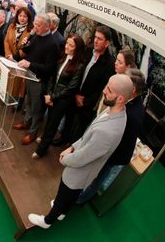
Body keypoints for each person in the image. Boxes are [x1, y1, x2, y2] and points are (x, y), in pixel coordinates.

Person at [28, 74, 134, 229]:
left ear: (120, 99)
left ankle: (48, 220)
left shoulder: (108, 131)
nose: (104, 90)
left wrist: (65, 159)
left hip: (79, 171)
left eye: (109, 90)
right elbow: (88, 135)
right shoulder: (116, 111)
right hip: (83, 170)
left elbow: (83, 157)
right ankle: (62, 212)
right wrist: (72, 147)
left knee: (64, 193)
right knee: (70, 196)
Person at [76, 68, 145, 204]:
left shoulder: (131, 114)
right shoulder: (130, 102)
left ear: (133, 89)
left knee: (97, 177)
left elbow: (118, 138)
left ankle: (81, 199)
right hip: (111, 149)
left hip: (115, 154)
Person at [33, 34, 85, 158]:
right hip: (52, 95)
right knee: (49, 120)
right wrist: (49, 94)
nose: (67, 46)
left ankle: (41, 150)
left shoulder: (79, 66)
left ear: (77, 49)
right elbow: (53, 77)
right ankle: (45, 138)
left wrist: (53, 97)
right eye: (67, 43)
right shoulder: (62, 57)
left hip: (62, 101)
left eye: (71, 45)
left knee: (52, 125)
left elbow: (71, 88)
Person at [13, 13, 60, 145]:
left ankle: (32, 133)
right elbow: (32, 52)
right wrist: (25, 45)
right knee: (28, 102)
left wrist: (30, 64)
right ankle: (26, 123)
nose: (35, 27)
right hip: (29, 75)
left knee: (37, 108)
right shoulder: (36, 36)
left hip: (39, 81)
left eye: (38, 25)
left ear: (47, 27)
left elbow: (49, 68)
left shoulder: (52, 44)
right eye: (35, 24)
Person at [68, 26, 115, 143]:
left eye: (99, 39)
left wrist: (85, 101)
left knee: (78, 130)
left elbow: (101, 89)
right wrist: (74, 92)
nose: (95, 41)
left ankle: (72, 151)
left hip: (86, 103)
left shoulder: (109, 64)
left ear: (107, 43)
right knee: (68, 121)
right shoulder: (88, 51)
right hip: (73, 93)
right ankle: (63, 139)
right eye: (95, 37)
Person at [4, 7, 34, 109]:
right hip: (10, 59)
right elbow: (7, 41)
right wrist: (8, 55)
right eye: (20, 15)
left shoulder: (31, 30)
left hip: (21, 61)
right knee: (11, 79)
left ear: (28, 18)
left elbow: (28, 48)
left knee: (21, 83)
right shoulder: (12, 26)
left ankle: (19, 103)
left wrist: (15, 57)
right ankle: (10, 97)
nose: (22, 18)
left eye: (25, 16)